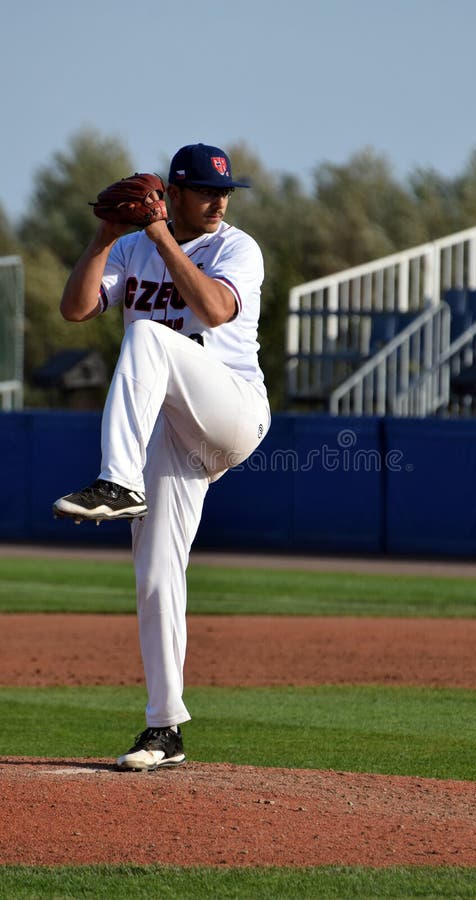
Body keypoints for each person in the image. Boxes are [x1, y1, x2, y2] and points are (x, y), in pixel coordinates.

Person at [53, 143, 270, 771]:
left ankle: (116, 481)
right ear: (172, 193)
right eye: (204, 190)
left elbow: (213, 309)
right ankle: (164, 729)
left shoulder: (237, 248)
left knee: (148, 333)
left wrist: (158, 234)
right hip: (172, 433)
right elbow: (75, 309)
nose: (219, 200)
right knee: (155, 573)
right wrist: (105, 236)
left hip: (230, 410)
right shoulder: (131, 247)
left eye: (225, 190)